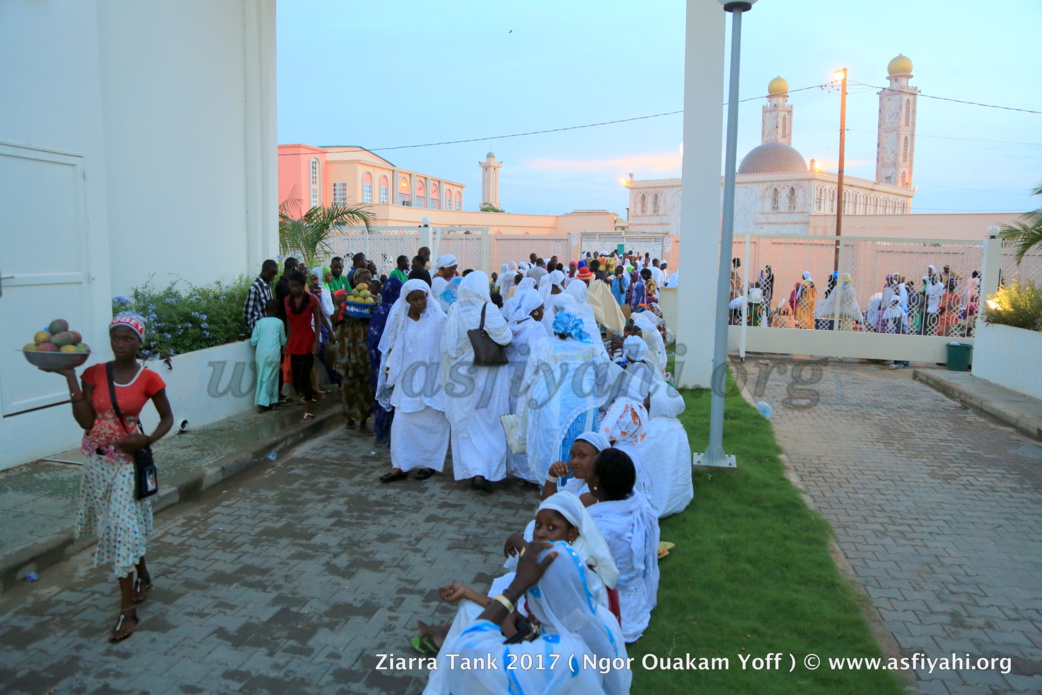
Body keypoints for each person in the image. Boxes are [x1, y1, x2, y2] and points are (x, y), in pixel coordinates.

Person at [52, 312, 173, 642]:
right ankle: (143, 575)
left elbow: (167, 418)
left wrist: (147, 440)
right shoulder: (94, 373)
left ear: (139, 342)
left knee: (120, 527)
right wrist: (70, 378)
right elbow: (85, 422)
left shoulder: (149, 379)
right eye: (115, 338)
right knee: (124, 524)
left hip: (127, 463)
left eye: (127, 339)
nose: (120, 344)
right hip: (96, 461)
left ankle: (127, 611)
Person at [518, 310, 615, 484]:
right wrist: (598, 400)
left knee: (551, 447)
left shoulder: (543, 344)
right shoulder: (589, 347)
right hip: (584, 406)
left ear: (555, 328)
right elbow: (605, 379)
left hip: (550, 405)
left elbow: (529, 376)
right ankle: (578, 489)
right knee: (583, 450)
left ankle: (551, 487)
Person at [441, 271, 512, 492]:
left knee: (468, 424)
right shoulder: (487, 309)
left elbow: (448, 345)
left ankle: (474, 470)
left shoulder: (454, 309)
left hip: (461, 377)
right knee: (490, 423)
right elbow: (505, 337)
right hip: (487, 375)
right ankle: (487, 471)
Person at [376, 280, 449, 482]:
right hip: (407, 381)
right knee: (402, 423)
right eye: (414, 299)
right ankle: (400, 466)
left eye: (422, 298)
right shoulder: (400, 319)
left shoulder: (439, 319)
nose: (419, 303)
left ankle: (429, 463)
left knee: (433, 423)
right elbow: (392, 346)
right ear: (406, 300)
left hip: (432, 381)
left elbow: (449, 347)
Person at [588, 448, 661, 643]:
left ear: (596, 481)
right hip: (635, 596)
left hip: (613, 602)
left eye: (591, 471)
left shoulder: (600, 528)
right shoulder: (638, 504)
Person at [504, 289, 548, 483]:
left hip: (511, 380)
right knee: (530, 425)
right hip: (530, 382)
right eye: (542, 308)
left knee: (514, 422)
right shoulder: (536, 329)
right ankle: (530, 473)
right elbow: (542, 358)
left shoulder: (510, 326)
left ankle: (517, 470)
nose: (543, 312)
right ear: (535, 310)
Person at [639, 382, 693, 517]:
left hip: (657, 494)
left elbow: (640, 460)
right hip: (679, 496)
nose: (644, 401)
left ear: (658, 402)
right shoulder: (677, 426)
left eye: (648, 397)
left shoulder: (651, 430)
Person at [284, 270, 331, 421]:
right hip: (294, 342)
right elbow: (289, 323)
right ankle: (315, 394)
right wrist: (287, 342)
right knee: (297, 379)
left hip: (308, 341)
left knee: (305, 377)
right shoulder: (287, 301)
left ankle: (309, 409)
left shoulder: (312, 300)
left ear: (303, 285)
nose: (294, 289)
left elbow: (318, 320)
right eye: (292, 286)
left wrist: (317, 341)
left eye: (297, 285)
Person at [333, 266, 374, 429]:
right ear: (356, 280)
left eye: (369, 279)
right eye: (365, 279)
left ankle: (363, 420)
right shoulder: (347, 298)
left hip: (364, 349)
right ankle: (349, 418)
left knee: (365, 386)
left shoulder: (372, 300)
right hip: (348, 348)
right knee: (347, 385)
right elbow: (335, 320)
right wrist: (339, 306)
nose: (367, 282)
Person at [367, 277, 402, 447]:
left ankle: (381, 434)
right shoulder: (397, 310)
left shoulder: (381, 309)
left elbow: (372, 338)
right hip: (388, 360)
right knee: (391, 398)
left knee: (381, 396)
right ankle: (387, 437)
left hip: (378, 360)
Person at [542, 431, 610, 502]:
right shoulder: (576, 483)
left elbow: (550, 506)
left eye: (582, 456)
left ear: (599, 458)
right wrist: (552, 475)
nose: (574, 462)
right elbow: (547, 503)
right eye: (573, 456)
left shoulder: (595, 491)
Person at [249, 299, 286, 411]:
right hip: (273, 353)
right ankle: (263, 402)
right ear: (277, 310)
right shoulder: (279, 322)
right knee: (270, 377)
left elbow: (253, 341)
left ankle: (273, 401)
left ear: (265, 310)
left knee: (262, 376)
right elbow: (283, 341)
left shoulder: (259, 323)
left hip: (260, 354)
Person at [244, 259, 277, 333]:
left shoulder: (267, 287)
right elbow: (248, 313)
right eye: (272, 274)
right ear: (264, 271)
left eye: (275, 275)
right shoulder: (254, 288)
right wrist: (254, 330)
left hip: (268, 328)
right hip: (259, 330)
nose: (273, 277)